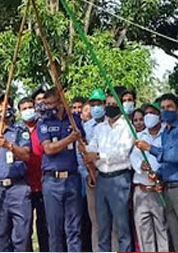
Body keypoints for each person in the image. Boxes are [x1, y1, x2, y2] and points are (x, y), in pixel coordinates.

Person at [135, 93, 178, 252]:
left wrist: (149, 148)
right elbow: (167, 162)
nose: (166, 111)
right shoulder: (166, 132)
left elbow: (174, 156)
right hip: (169, 188)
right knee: (177, 236)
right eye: (163, 108)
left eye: (169, 107)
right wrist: (158, 174)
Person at [0, 96, 32, 251]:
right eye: (0, 105)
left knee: (22, 237)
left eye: (7, 103)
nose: (4, 107)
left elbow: (27, 155)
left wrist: (9, 145)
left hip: (18, 189)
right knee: (0, 238)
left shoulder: (20, 130)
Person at [37, 87, 87, 252]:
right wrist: (69, 139)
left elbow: (83, 142)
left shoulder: (74, 120)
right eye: (47, 103)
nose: (50, 107)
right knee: (55, 230)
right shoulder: (43, 122)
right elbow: (49, 149)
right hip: (52, 181)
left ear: (61, 101)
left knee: (74, 229)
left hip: (72, 179)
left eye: (52, 103)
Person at [85, 90, 135, 252]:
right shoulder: (100, 128)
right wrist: (90, 152)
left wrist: (98, 155)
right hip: (102, 180)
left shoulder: (127, 127)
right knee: (102, 226)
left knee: (122, 227)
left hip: (119, 179)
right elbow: (92, 145)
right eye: (108, 104)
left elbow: (121, 153)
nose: (110, 107)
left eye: (114, 104)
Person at [130, 104, 169, 252]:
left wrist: (159, 175)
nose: (149, 117)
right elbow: (133, 157)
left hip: (158, 189)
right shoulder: (139, 137)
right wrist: (141, 165)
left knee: (162, 229)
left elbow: (168, 159)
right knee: (144, 231)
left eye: (152, 113)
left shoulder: (166, 135)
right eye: (146, 114)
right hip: (141, 190)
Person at [19, 96, 50, 251]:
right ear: (19, 112)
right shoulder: (17, 131)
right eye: (24, 109)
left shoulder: (43, 127)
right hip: (24, 186)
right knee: (25, 229)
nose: (28, 111)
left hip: (44, 184)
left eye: (30, 107)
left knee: (45, 227)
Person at [82, 88, 105, 250]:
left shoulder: (112, 124)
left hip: (109, 175)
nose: (96, 107)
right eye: (93, 104)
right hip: (91, 176)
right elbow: (81, 153)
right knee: (96, 221)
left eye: (99, 104)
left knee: (113, 221)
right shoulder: (86, 127)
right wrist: (88, 174)